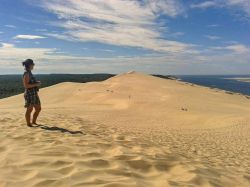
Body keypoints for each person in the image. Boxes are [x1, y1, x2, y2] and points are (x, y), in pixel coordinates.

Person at [22, 59, 41, 127]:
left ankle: (33, 122)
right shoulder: (26, 73)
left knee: (38, 108)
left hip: (34, 93)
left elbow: (30, 83)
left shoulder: (29, 72)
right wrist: (36, 84)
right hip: (29, 93)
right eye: (33, 64)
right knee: (29, 109)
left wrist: (36, 83)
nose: (33, 65)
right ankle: (29, 124)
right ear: (29, 65)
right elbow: (26, 85)